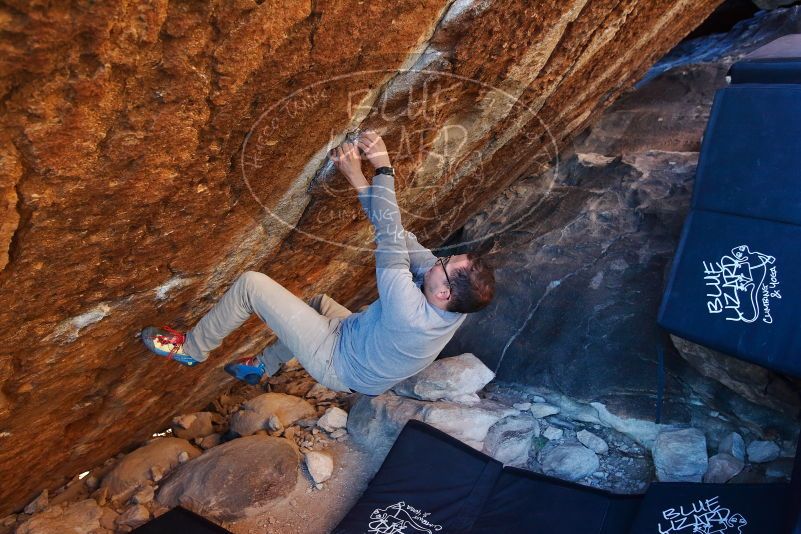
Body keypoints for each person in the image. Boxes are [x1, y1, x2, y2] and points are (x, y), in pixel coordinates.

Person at [141, 131, 495, 395]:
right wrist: (356, 177)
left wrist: (383, 166)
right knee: (318, 305)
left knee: (251, 284)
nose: (437, 261)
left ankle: (191, 349)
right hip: (360, 343)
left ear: (444, 292)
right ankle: (262, 365)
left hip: (340, 365)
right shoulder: (458, 303)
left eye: (444, 264)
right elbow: (397, 232)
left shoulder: (409, 310)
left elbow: (388, 234)